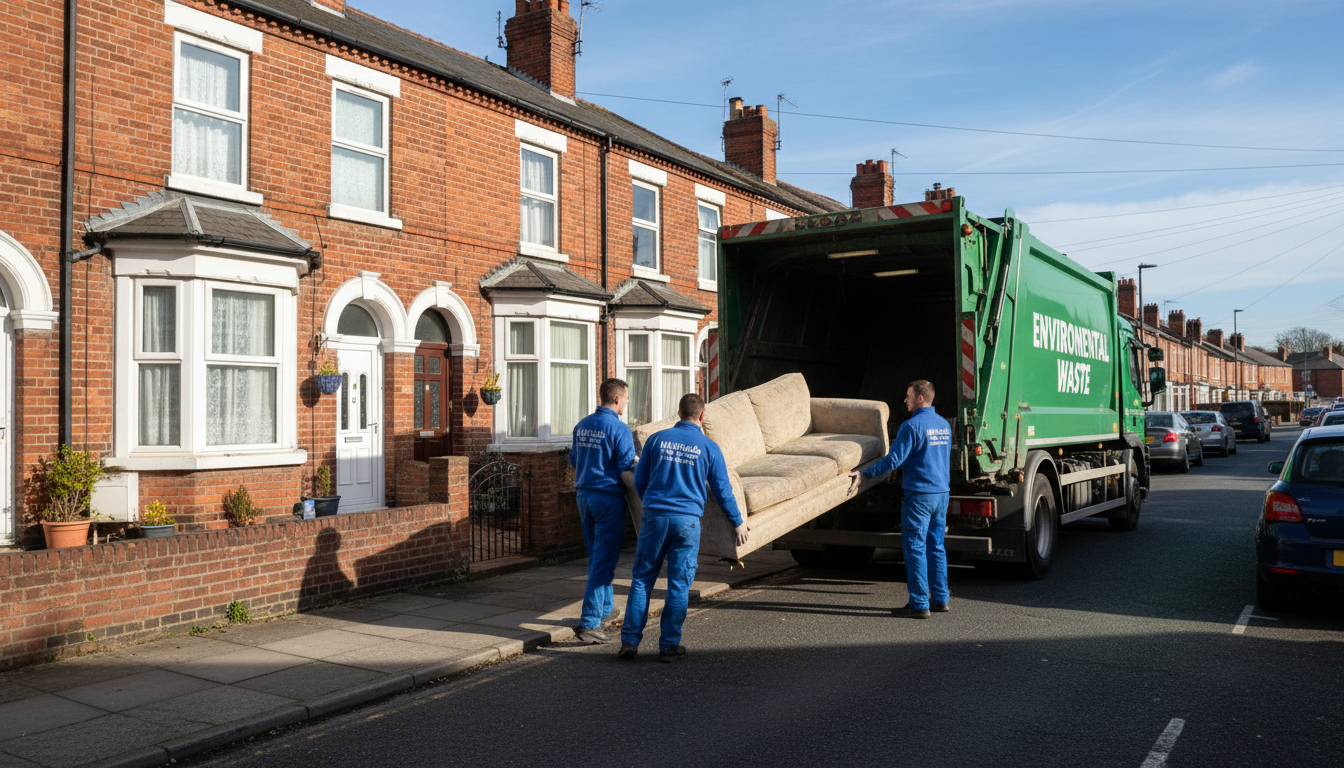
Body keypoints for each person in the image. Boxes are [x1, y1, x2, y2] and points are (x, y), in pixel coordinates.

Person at [620, 393, 749, 662]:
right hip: (687, 522)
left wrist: (652, 504)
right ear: (702, 416)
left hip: (655, 518)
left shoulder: (656, 439)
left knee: (643, 579)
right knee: (678, 585)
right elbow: (723, 490)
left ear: (678, 413)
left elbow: (639, 479)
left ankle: (630, 643)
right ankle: (668, 646)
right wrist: (737, 522)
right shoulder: (709, 447)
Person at [847, 380, 951, 619]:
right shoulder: (944, 425)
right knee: (936, 547)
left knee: (915, 547)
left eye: (908, 396)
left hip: (919, 496)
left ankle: (918, 604)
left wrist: (864, 473)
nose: (905, 400)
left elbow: (893, 461)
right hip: (941, 494)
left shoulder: (911, 426)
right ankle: (940, 599)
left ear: (920, 399)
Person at [569, 378, 637, 644]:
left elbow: (573, 459)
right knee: (604, 559)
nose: (627, 403)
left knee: (596, 556)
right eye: (627, 399)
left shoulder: (582, 425)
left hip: (584, 496)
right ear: (618, 399)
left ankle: (606, 608)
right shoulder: (620, 430)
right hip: (608, 499)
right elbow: (625, 466)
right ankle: (589, 623)